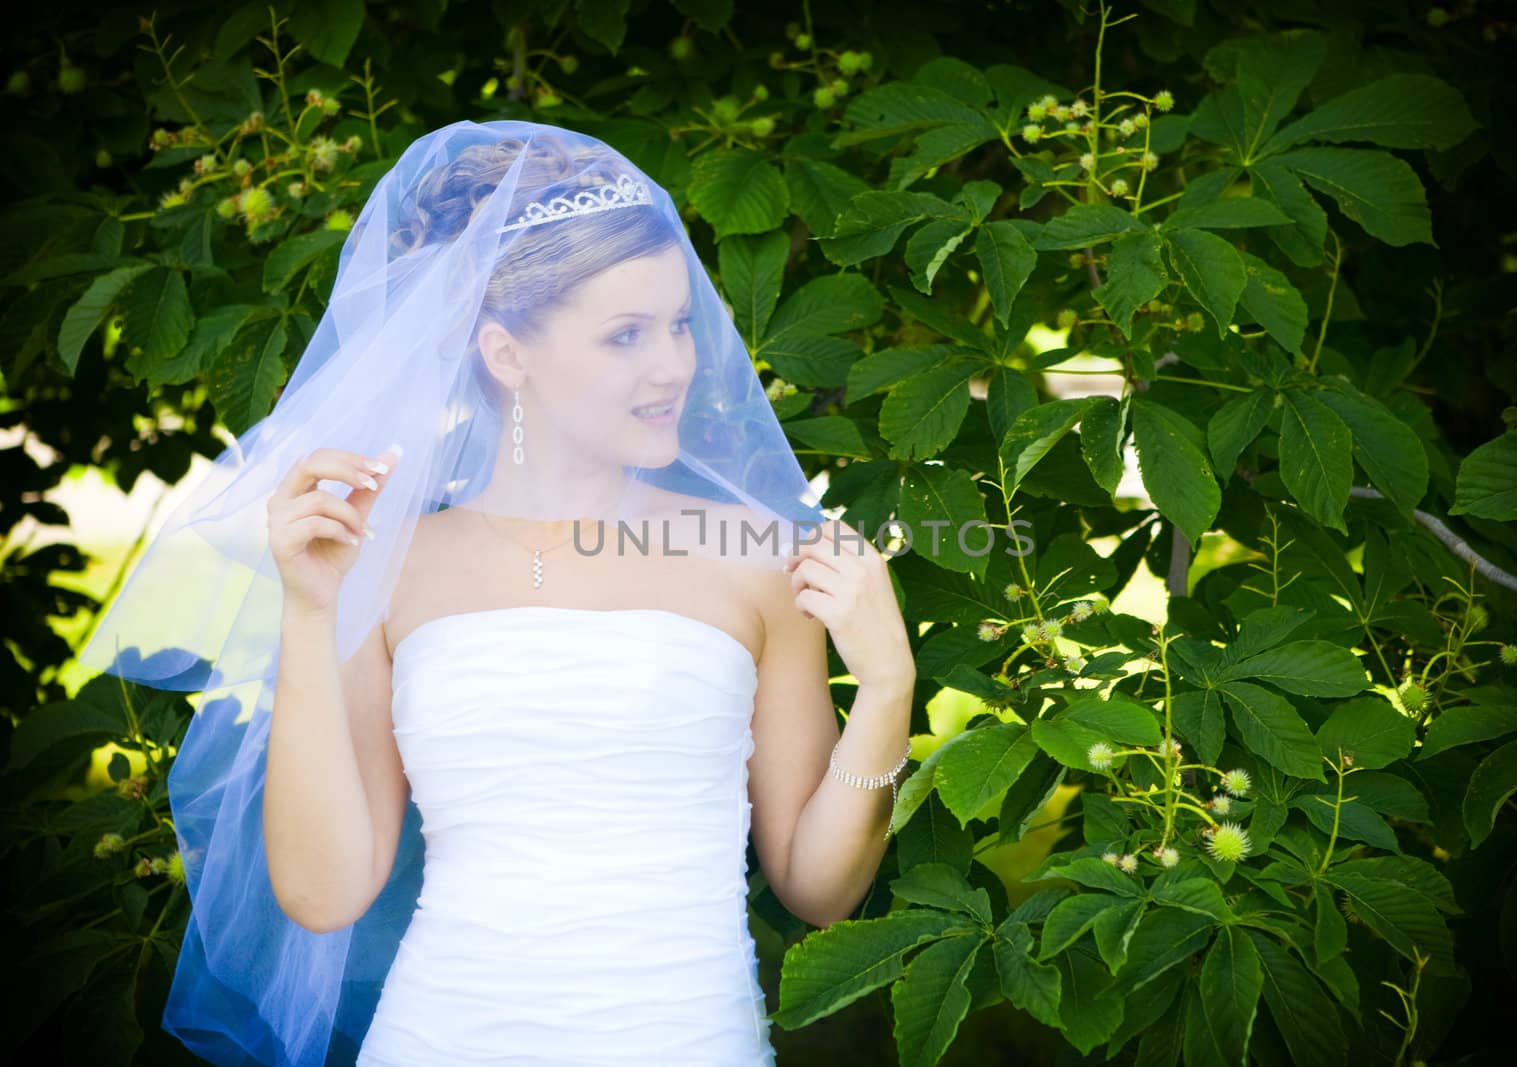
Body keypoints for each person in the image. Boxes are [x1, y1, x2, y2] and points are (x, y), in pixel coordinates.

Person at [76, 121, 918, 1066]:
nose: (675, 364)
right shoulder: (390, 568)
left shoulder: (756, 556)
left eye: (679, 323)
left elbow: (816, 889)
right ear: (507, 354)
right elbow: (324, 892)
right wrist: (312, 611)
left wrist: (886, 689)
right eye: (626, 335)